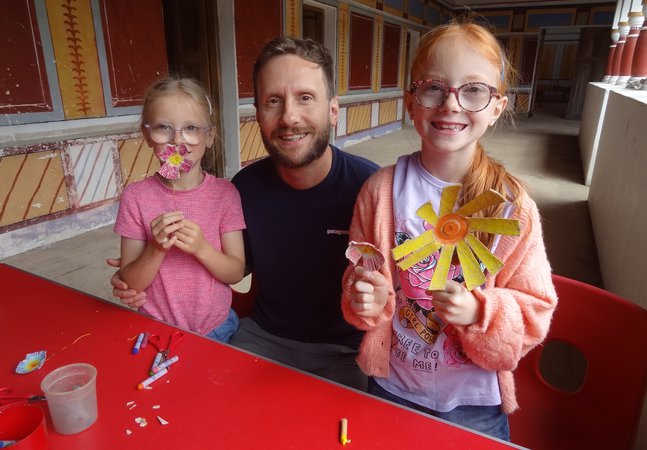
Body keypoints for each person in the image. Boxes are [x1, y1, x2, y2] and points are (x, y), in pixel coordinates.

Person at [112, 38, 379, 390]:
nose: (289, 117)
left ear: (333, 110)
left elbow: (403, 289)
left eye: (305, 98)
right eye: (273, 101)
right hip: (261, 338)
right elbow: (230, 269)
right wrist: (141, 271)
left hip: (345, 351)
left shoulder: (371, 189)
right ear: (257, 114)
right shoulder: (245, 188)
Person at [341, 21, 557, 440]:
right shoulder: (380, 191)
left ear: (497, 107)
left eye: (473, 90)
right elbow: (358, 274)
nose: (451, 104)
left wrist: (481, 312)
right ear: (411, 101)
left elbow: (535, 310)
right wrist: (368, 295)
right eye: (434, 87)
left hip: (474, 402)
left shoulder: (513, 207)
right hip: (392, 386)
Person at [114, 76, 246, 343]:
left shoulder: (225, 195)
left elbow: (234, 272)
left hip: (217, 327)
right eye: (163, 127)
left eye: (191, 128)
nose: (177, 140)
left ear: (209, 136)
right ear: (147, 135)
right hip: (156, 331)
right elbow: (131, 282)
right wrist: (156, 247)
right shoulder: (136, 197)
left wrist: (201, 248)